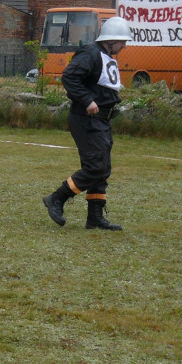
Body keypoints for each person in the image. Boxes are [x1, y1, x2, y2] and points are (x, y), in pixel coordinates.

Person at [42, 16, 130, 230]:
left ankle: (95, 216)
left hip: (101, 121)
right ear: (110, 39)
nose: (124, 45)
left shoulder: (105, 55)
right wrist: (87, 100)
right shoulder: (90, 54)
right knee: (96, 166)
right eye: (122, 41)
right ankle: (57, 198)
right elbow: (70, 77)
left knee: (103, 168)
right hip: (87, 119)